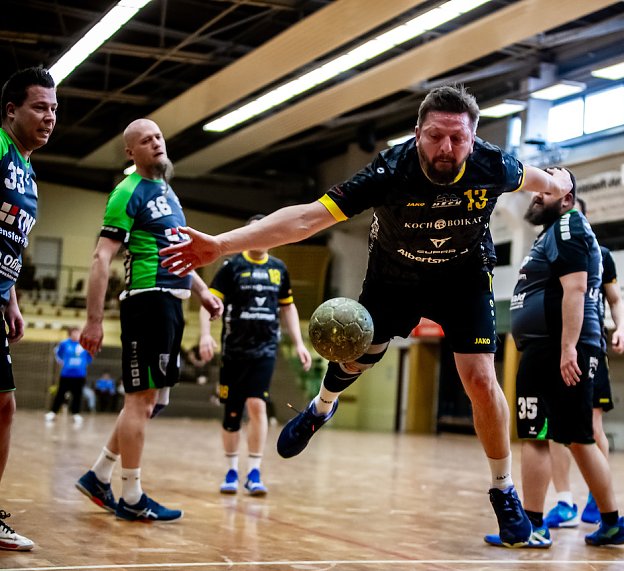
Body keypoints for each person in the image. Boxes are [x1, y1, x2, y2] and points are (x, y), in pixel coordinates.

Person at [160, 85, 574, 546]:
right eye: (435, 136)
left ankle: (503, 490)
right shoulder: (389, 170)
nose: (446, 147)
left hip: (463, 279)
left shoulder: (493, 165)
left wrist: (560, 183)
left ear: (473, 140)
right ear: (417, 133)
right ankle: (321, 408)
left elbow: (544, 181)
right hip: (394, 278)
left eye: (458, 138)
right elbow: (307, 219)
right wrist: (222, 244)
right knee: (355, 359)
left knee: (480, 379)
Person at [75, 118, 223, 523]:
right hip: (147, 301)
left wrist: (202, 291)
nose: (156, 143)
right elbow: (101, 257)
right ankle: (132, 496)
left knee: (154, 400)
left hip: (171, 302)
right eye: (146, 140)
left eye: (158, 136)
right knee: (140, 399)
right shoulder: (128, 192)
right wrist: (93, 321)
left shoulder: (167, 192)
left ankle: (99, 474)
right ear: (131, 152)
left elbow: (177, 251)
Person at [484, 173, 624, 548]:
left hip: (561, 350)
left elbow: (577, 289)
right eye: (536, 189)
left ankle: (612, 522)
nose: (537, 195)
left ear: (566, 199)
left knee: (579, 438)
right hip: (541, 350)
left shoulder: (570, 227)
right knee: (536, 435)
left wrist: (569, 348)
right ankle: (534, 524)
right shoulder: (550, 233)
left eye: (546, 190)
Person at [198, 214, 312, 496]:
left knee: (258, 405)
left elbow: (288, 307)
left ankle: (254, 472)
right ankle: (231, 470)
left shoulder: (278, 269)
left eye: (266, 232)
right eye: (255, 232)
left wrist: (299, 343)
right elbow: (208, 301)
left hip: (265, 349)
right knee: (232, 413)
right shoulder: (231, 267)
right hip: (234, 351)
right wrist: (205, 334)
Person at [544, 196, 624, 528]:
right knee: (555, 428)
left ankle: (597, 495)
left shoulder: (601, 255)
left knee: (592, 426)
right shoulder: (548, 249)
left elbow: (615, 299)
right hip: (555, 347)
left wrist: (621, 328)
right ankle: (564, 502)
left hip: (589, 347)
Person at [0, 66, 56, 551]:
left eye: (54, 109)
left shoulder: (28, 172)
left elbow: (11, 245)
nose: (50, 117)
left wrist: (11, 300)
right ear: (10, 110)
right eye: (40, 107)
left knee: (3, 405)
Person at [45, 326, 93, 426]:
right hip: (66, 374)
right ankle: (53, 412)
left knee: (77, 395)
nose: (76, 334)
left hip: (80, 375)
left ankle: (76, 414)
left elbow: (89, 357)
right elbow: (58, 354)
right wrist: (65, 362)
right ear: (70, 333)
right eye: (74, 332)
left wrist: (82, 364)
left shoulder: (85, 344)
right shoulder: (64, 343)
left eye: (78, 332)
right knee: (60, 394)